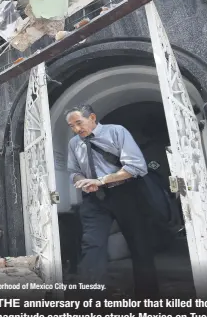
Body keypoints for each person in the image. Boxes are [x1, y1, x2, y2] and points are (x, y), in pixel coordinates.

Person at [66, 104, 160, 298]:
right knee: (92, 244)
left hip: (126, 193)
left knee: (139, 244)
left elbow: (137, 167)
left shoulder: (116, 132)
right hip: (94, 198)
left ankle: (148, 298)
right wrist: (82, 183)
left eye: (79, 123)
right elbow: (74, 171)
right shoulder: (74, 143)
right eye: (71, 126)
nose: (76, 129)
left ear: (92, 117)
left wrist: (101, 180)